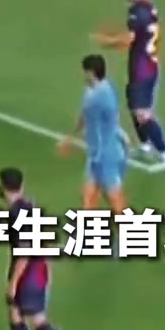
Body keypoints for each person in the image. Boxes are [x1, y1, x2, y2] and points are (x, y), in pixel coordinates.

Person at [0, 166, 86, 330]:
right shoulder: (30, 206)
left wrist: (13, 284)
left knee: (37, 321)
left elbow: (24, 252)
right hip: (36, 270)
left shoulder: (17, 215)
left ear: (3, 188)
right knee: (15, 315)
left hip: (29, 274)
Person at [96, 0, 165, 168]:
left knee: (141, 112)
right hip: (145, 64)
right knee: (134, 107)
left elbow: (128, 40)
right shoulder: (148, 5)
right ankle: (146, 145)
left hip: (142, 68)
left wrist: (107, 42)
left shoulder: (137, 12)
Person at [58, 54, 129, 214]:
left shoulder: (100, 97)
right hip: (95, 155)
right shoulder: (96, 89)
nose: (83, 75)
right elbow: (86, 117)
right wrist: (70, 138)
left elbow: (97, 118)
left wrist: (70, 140)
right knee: (88, 198)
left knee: (115, 202)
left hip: (107, 156)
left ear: (91, 73)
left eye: (85, 71)